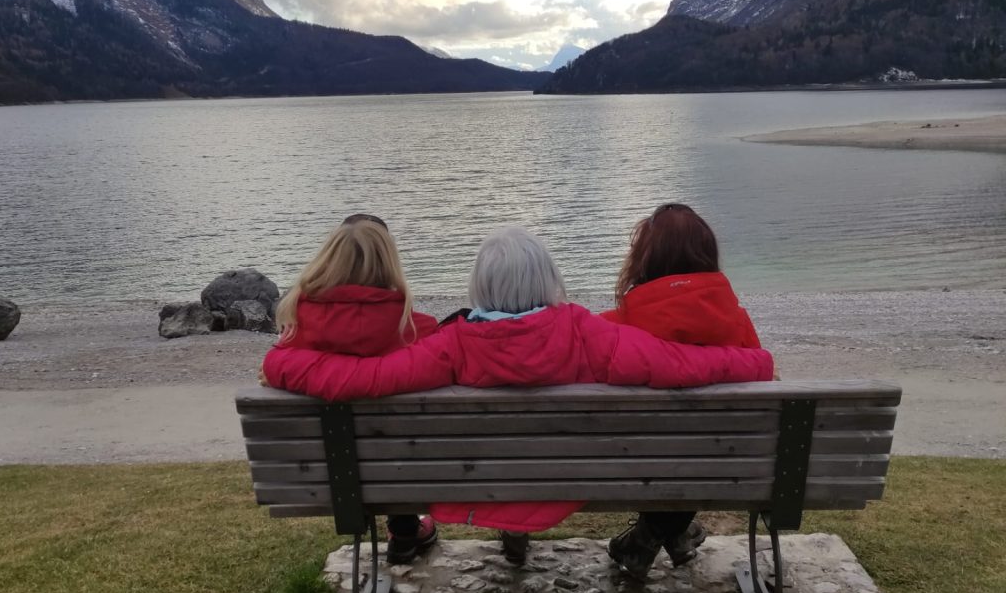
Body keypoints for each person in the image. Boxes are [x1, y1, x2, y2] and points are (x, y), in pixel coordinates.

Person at [263, 225, 774, 565]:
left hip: (488, 484)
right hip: (570, 480)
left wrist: (280, 360)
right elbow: (681, 365)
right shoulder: (585, 331)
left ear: (479, 285)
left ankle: (512, 531)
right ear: (549, 277)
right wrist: (756, 362)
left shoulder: (450, 345)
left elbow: (365, 380)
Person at [602, 202, 762, 580]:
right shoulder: (738, 325)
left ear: (644, 260)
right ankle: (672, 532)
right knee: (695, 448)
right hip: (721, 467)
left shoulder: (615, 327)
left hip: (627, 466)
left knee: (661, 447)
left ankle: (652, 536)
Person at [274, 213, 440, 565]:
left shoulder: (295, 338)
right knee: (399, 438)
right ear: (389, 263)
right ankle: (406, 529)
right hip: (409, 467)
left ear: (328, 261)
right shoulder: (419, 332)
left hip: (339, 483)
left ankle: (394, 527)